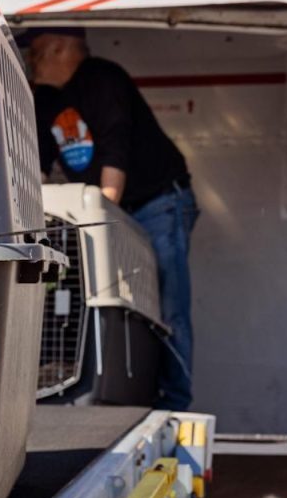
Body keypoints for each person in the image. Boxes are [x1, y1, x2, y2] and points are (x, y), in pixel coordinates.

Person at [24, 26, 199, 411]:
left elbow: (115, 150)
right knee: (100, 299)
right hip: (108, 211)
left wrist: (105, 219)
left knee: (167, 306)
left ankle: (174, 405)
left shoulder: (101, 78)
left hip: (157, 203)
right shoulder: (45, 99)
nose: (30, 62)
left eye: (35, 53)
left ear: (59, 48)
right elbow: (35, 165)